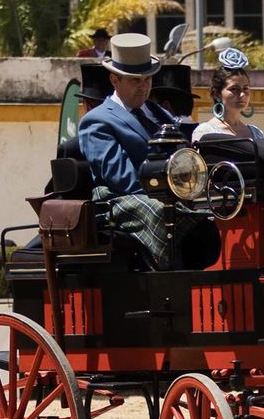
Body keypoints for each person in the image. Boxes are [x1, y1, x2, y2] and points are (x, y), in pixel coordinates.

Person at [77, 33, 198, 270]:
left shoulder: (158, 113)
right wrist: (167, 196)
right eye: (135, 80)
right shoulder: (97, 121)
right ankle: (172, 280)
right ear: (115, 80)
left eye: (147, 79)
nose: (143, 87)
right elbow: (122, 177)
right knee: (161, 212)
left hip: (169, 194)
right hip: (120, 201)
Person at [192, 48, 264, 141]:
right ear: (217, 94)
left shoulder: (256, 133)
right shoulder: (206, 132)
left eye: (246, 88)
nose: (242, 94)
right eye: (234, 89)